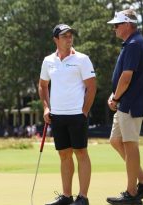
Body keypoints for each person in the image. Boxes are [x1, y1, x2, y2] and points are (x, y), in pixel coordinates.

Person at [106, 9, 143, 205]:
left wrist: (116, 97)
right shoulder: (132, 43)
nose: (114, 28)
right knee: (115, 140)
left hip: (131, 104)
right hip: (125, 103)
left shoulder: (135, 44)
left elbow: (126, 78)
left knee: (129, 144)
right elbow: (124, 77)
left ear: (128, 24)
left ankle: (132, 192)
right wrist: (116, 96)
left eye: (117, 25)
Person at [39, 24, 96, 205]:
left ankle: (83, 197)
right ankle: (66, 196)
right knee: (64, 155)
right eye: (64, 36)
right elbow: (42, 85)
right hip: (57, 115)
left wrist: (84, 111)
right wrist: (46, 107)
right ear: (56, 39)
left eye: (70, 35)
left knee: (81, 152)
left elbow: (92, 87)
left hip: (77, 115)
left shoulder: (82, 59)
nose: (69, 38)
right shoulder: (48, 61)